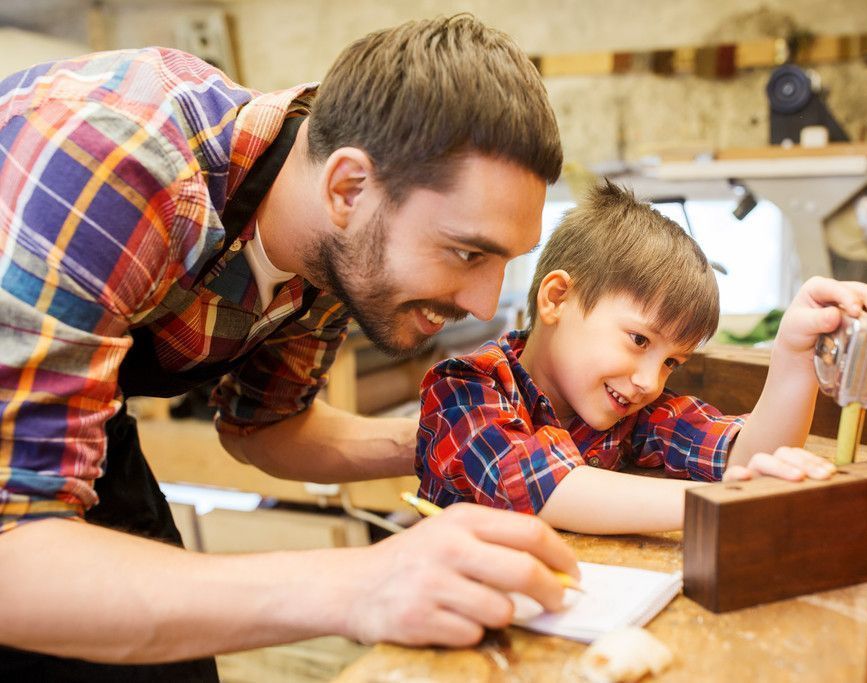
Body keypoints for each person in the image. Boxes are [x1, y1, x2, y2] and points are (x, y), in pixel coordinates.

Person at [0, 15, 581, 680]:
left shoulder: (331, 244)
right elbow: (13, 552)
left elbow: (265, 426)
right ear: (348, 188)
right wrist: (358, 585)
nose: (484, 301)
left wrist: (464, 439)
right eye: (467, 251)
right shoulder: (111, 164)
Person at [416, 182, 867, 534]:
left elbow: (749, 458)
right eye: (640, 341)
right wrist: (725, 499)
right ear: (557, 299)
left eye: (671, 363)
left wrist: (793, 353)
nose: (650, 381)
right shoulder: (464, 389)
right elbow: (552, 489)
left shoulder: (630, 411)